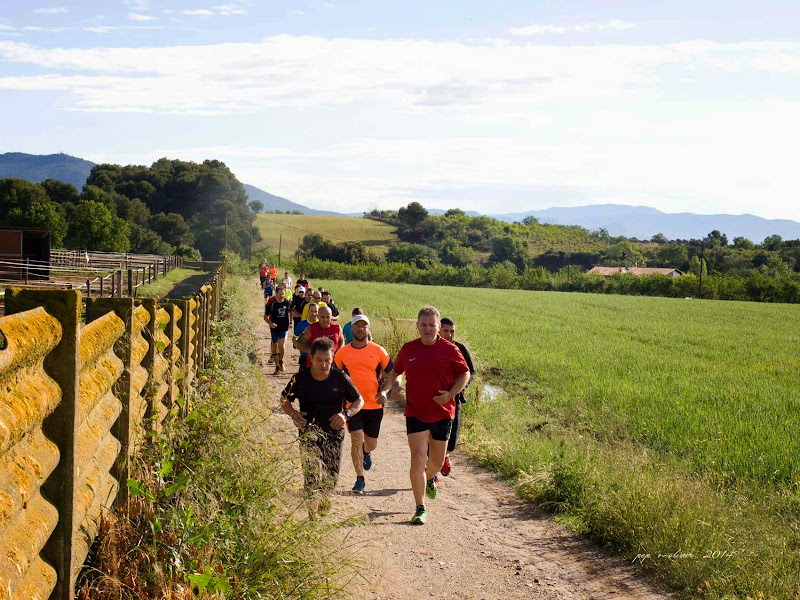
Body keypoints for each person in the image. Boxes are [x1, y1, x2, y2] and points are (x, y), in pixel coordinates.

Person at [387, 306, 470, 525]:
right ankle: (420, 507)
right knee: (417, 457)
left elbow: (464, 374)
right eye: (423, 325)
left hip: (442, 412)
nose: (427, 329)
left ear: (438, 327)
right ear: (417, 326)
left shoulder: (450, 349)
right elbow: (396, 371)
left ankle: (430, 475)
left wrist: (450, 394)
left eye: (432, 325)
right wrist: (395, 386)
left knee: (436, 462)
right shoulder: (408, 349)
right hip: (415, 411)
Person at [281, 337, 364, 514]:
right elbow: (284, 399)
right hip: (308, 433)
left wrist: (346, 415)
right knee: (311, 477)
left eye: (328, 360)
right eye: (319, 360)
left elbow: (359, 400)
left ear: (333, 358)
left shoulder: (340, 378)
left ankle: (323, 510)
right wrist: (293, 414)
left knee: (330, 477)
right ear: (311, 358)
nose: (324, 364)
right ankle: (312, 517)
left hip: (334, 433)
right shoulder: (301, 378)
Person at [334, 315, 393, 494]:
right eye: (357, 326)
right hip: (352, 405)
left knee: (371, 443)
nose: (360, 329)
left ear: (369, 329)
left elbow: (392, 372)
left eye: (364, 326)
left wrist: (385, 391)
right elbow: (334, 375)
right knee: (356, 440)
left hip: (374, 404)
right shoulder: (342, 353)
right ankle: (360, 479)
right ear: (351, 329)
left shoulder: (379, 351)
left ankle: (367, 452)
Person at [439, 317, 475, 476]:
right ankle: (431, 473)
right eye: (446, 331)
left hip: (455, 398)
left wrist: (461, 387)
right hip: (435, 399)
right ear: (439, 329)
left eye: (452, 331)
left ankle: (445, 455)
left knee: (452, 439)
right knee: (434, 437)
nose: (449, 334)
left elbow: (470, 371)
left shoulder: (460, 349)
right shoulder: (433, 348)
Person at [266, 287, 292, 373]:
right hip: (274, 328)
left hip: (284, 327)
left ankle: (280, 360)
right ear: (276, 294)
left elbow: (291, 312)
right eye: (280, 294)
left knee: (281, 346)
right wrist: (270, 323)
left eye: (283, 294)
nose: (281, 296)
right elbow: (265, 316)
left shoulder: (287, 303)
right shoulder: (272, 304)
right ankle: (277, 366)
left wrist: (290, 322)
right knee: (274, 347)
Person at [293, 301, 318, 371]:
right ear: (308, 312)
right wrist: (297, 345)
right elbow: (294, 337)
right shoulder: (301, 324)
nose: (314, 313)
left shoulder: (321, 324)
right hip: (305, 356)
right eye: (311, 311)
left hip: (318, 357)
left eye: (316, 311)